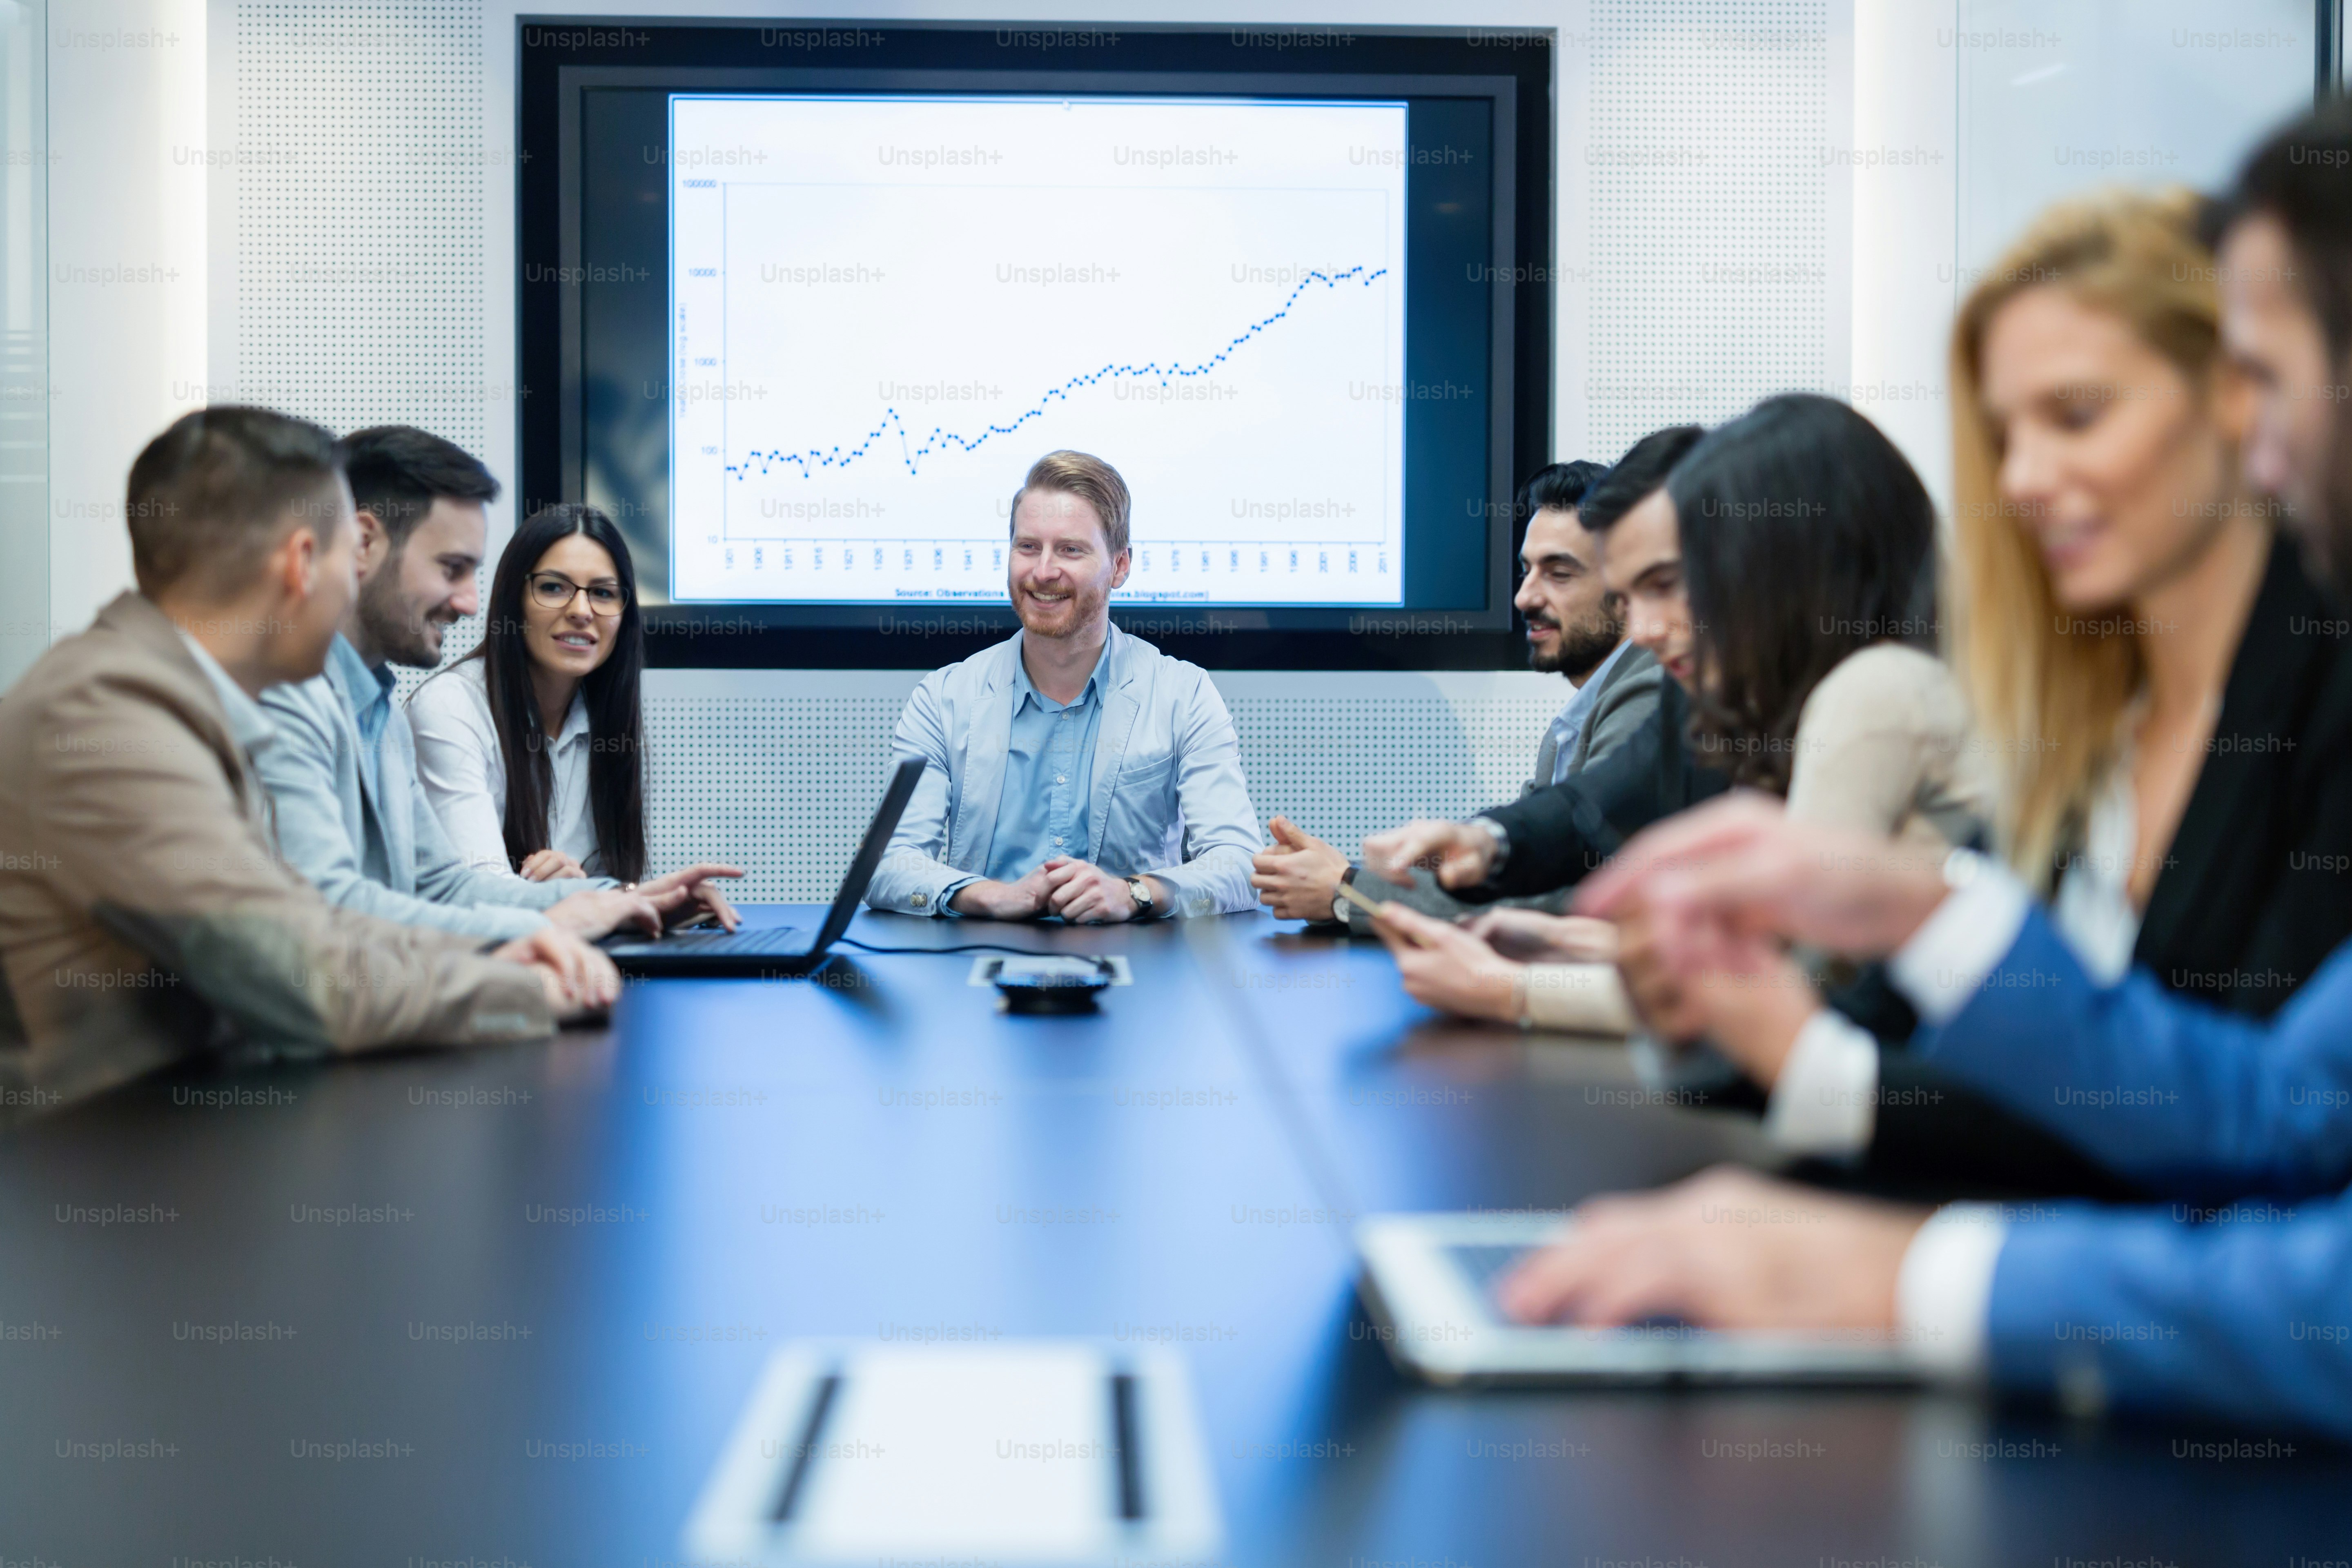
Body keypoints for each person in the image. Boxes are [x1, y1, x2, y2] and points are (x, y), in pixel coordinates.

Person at [1474, 103, 2352, 1439]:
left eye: (2078, 415)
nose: (2026, 480)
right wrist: (1889, 936)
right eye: (2007, 436)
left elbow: (2268, 1180)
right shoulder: (2087, 722)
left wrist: (1900, 1276)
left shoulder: (2302, 701)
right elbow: (2255, 1112)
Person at [0, 408, 617, 1117]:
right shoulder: (108, 715)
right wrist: (524, 989)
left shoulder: (173, 698)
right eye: (345, 557)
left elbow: (306, 924)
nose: (353, 585)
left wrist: (514, 945)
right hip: (92, 1158)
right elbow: (297, 971)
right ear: (301, 563)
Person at [1363, 396, 1988, 1028]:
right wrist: (1500, 855)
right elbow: (1593, 806)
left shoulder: (1872, 692)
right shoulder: (1757, 688)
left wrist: (1515, 989)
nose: (1644, 629)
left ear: (1786, 558)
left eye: (1670, 583)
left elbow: (1790, 993)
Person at [255, 430, 739, 942]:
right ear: (364, 544)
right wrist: (554, 927)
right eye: (452, 569)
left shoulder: (383, 716)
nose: (470, 604)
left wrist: (625, 900)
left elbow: (444, 887)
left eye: (603, 594)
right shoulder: (284, 702)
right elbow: (335, 914)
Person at [1249, 459, 1664, 931]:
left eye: (1559, 573)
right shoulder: (1581, 716)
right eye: (1527, 571)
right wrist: (1351, 876)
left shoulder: (1648, 696)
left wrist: (1349, 890)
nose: (1524, 597)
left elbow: (1568, 897)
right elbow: (1522, 854)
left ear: (1629, 586)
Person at [866, 450, 1263, 922]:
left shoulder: (1184, 694)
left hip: (1140, 958)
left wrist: (1134, 893)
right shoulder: (943, 698)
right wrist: (989, 896)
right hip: (980, 954)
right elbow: (887, 864)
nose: (1043, 571)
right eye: (1028, 547)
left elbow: (1240, 864)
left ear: (1120, 566)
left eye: (1070, 550)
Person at [411, 503, 720, 897]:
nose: (581, 611)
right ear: (514, 600)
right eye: (553, 588)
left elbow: (600, 887)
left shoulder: (604, 718)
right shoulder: (450, 707)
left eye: (603, 593)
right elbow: (477, 891)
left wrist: (658, 904)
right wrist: (584, 896)